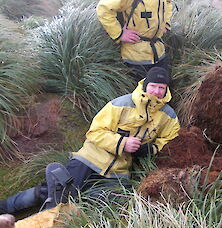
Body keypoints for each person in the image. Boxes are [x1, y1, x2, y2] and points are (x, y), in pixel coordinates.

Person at [0, 67, 180, 215]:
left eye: (161, 88)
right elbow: (95, 132)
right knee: (52, 191)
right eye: (154, 86)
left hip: (119, 170)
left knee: (112, 204)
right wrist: (121, 143)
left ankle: (67, 204)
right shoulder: (120, 104)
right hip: (90, 158)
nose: (157, 91)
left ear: (166, 90)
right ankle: (6, 208)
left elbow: (171, 139)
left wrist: (152, 149)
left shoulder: (169, 116)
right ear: (146, 85)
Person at [96, 0, 173, 82]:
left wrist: (166, 23)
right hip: (135, 57)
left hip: (159, 52)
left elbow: (168, 2)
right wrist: (119, 34)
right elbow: (103, 9)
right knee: (139, 92)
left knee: (162, 88)